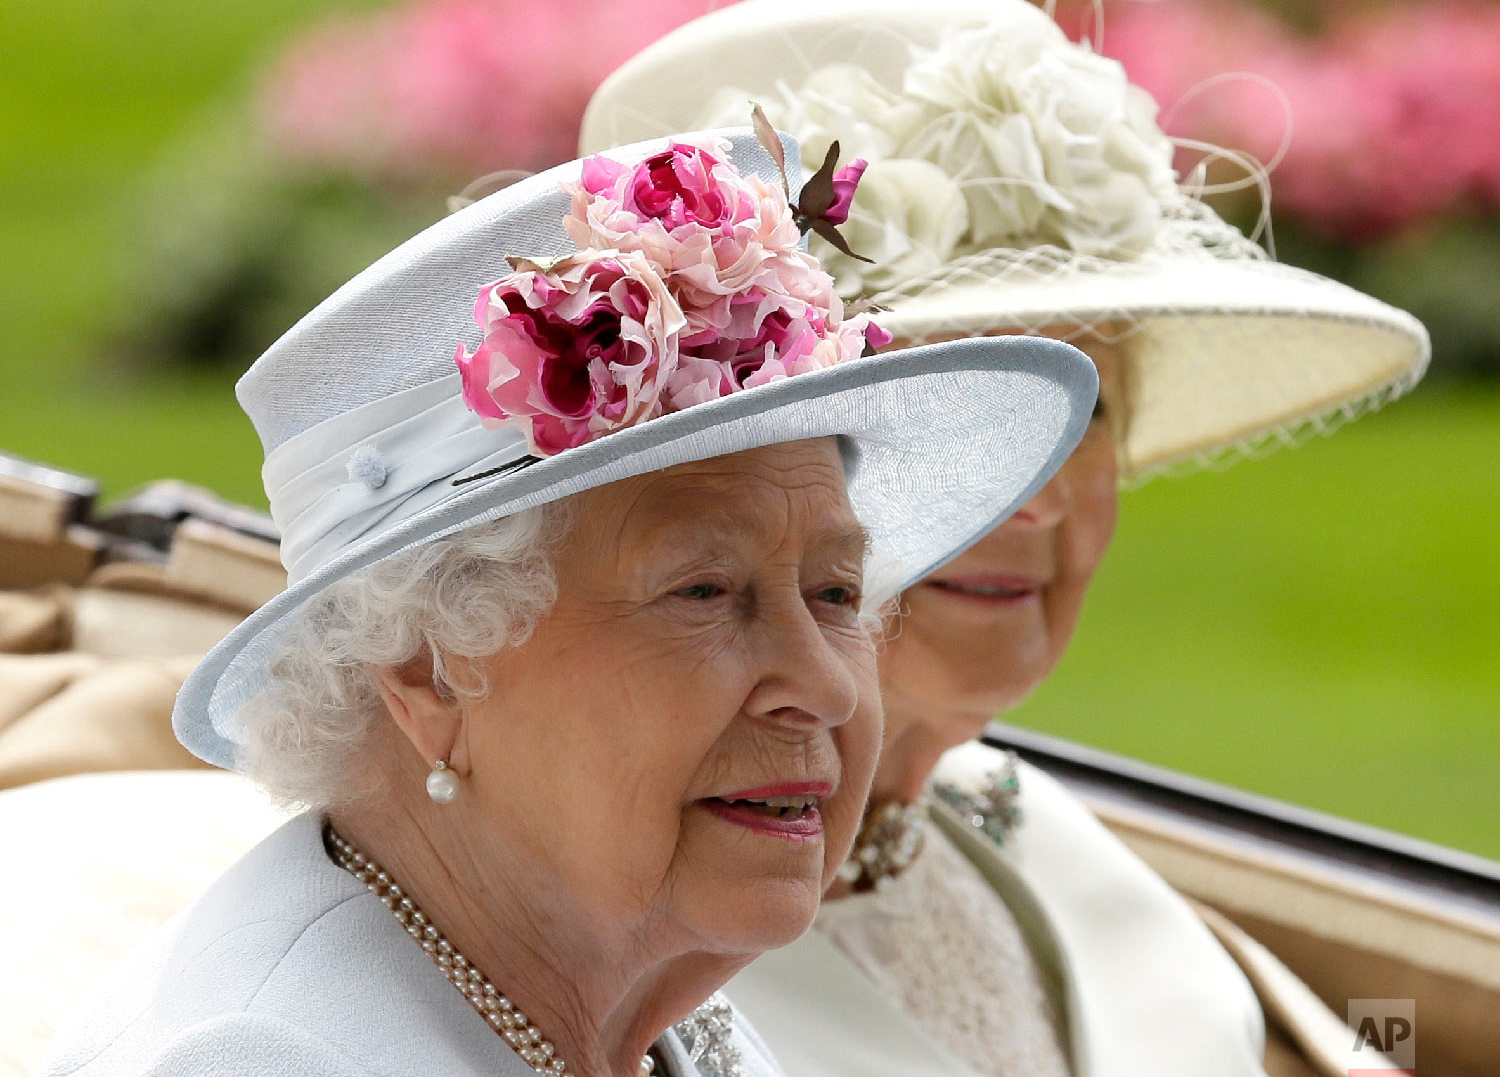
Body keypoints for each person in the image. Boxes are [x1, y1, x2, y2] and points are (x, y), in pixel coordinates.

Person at [34, 125, 1095, 1077]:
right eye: (706, 590)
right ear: (427, 666)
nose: (820, 681)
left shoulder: (642, 1007)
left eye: (834, 592)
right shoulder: (264, 1061)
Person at [580, 0, 1430, 1076]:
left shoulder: (1025, 829)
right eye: (957, 416)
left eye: (1086, 412)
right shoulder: (591, 971)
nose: (1035, 499)